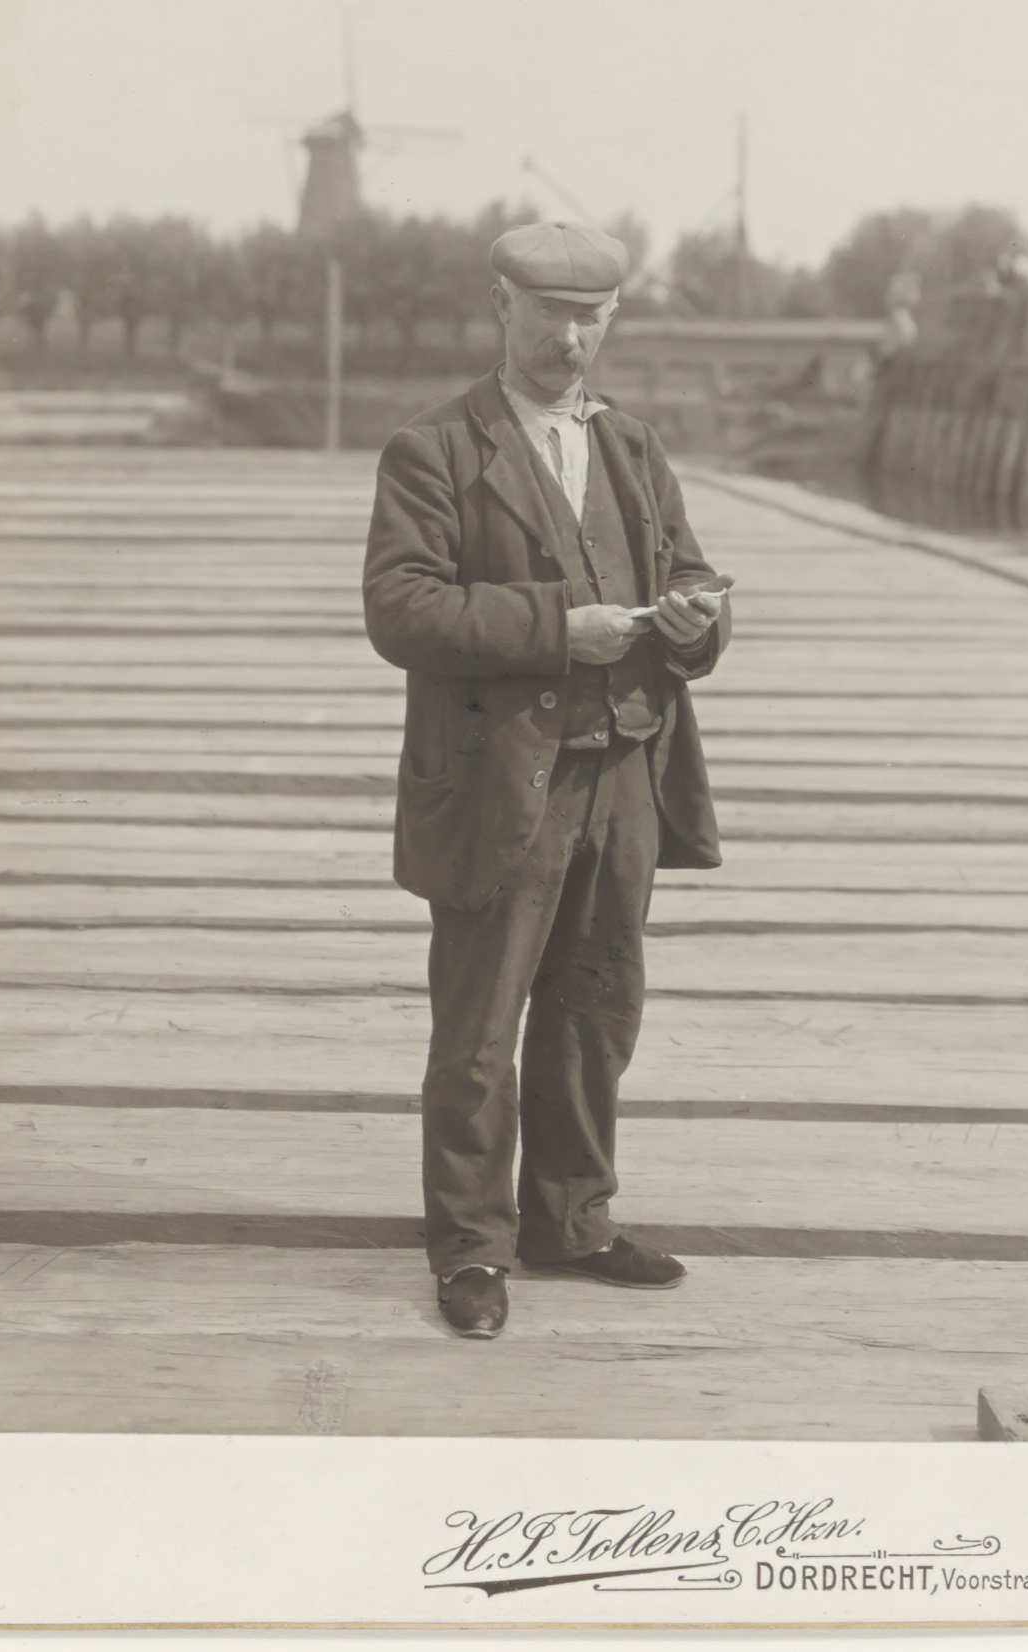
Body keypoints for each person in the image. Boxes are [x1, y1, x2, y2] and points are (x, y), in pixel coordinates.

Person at [363, 220, 731, 1340]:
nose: (570, 340)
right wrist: (555, 629)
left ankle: (571, 1221)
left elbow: (692, 571)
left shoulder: (633, 446)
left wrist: (698, 621)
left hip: (625, 772)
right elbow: (401, 609)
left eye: (591, 319)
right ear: (502, 308)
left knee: (595, 1008)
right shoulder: (433, 448)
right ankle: (472, 1247)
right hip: (497, 783)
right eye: (550, 316)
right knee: (481, 1026)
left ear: (612, 320)